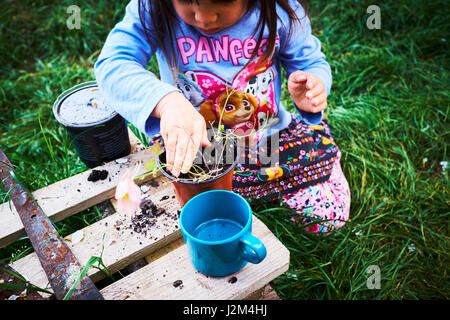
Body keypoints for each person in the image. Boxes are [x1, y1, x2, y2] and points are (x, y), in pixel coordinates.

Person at [95, 0, 350, 234]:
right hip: (199, 150)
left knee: (327, 215)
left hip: (269, 140)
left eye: (223, 2)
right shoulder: (152, 7)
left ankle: (243, 192)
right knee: (179, 207)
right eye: (186, 1)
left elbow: (310, 62)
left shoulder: (279, 10)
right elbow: (113, 64)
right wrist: (167, 102)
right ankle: (243, 193)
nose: (204, 18)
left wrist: (312, 85)